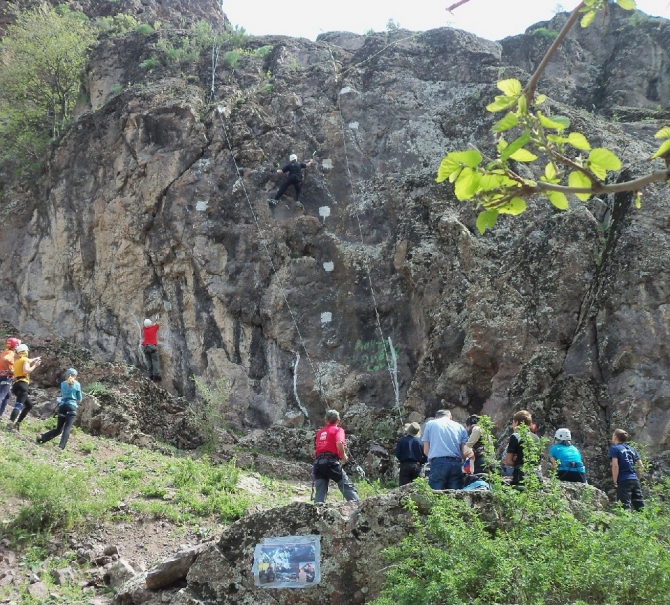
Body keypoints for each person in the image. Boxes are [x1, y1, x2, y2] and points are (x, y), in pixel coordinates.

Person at [312, 409, 359, 503]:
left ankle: (318, 511)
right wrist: (343, 455)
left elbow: (316, 450)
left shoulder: (320, 432)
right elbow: (339, 443)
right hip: (330, 462)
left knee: (320, 489)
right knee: (346, 485)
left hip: (318, 463)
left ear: (326, 420)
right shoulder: (338, 430)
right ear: (338, 420)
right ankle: (358, 507)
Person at [422, 409, 471, 490]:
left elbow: (426, 451)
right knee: (456, 496)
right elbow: (464, 452)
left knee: (435, 495)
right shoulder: (460, 427)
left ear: (436, 417)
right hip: (456, 463)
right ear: (450, 417)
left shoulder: (430, 424)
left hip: (438, 463)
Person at [37, 368, 83, 450]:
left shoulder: (63, 384)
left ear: (67, 375)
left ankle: (42, 437)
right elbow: (79, 398)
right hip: (72, 406)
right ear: (75, 376)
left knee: (59, 429)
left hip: (62, 406)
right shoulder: (77, 384)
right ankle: (61, 447)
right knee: (67, 428)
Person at [609, 428, 645, 511]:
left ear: (615, 437)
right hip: (634, 479)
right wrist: (637, 478)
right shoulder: (632, 449)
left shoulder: (615, 449)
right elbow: (641, 466)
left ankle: (626, 522)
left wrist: (615, 481)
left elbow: (615, 466)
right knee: (640, 506)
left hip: (623, 479)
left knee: (625, 506)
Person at [7, 343, 41, 430]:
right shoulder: (25, 359)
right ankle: (11, 423)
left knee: (29, 405)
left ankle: (18, 423)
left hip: (16, 385)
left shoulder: (17, 361)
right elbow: (26, 370)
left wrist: (35, 359)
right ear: (25, 351)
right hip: (23, 384)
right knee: (18, 405)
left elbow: (28, 360)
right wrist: (35, 366)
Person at [505, 410, 540, 486]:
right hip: (536, 477)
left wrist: (518, 461)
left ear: (516, 422)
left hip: (521, 477)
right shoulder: (536, 438)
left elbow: (508, 461)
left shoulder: (516, 436)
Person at [394, 421, 427, 486]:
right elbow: (425, 454)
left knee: (403, 487)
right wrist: (421, 462)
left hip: (405, 465)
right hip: (416, 465)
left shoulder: (402, 441)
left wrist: (402, 460)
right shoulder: (420, 442)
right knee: (416, 486)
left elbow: (397, 453)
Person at [0, 338, 21, 418]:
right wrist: (10, 370)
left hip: (1, 375)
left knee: (7, 395)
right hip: (6, 377)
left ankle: (0, 414)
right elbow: (6, 359)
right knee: (1, 395)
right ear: (15, 346)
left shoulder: (5, 352)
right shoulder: (11, 353)